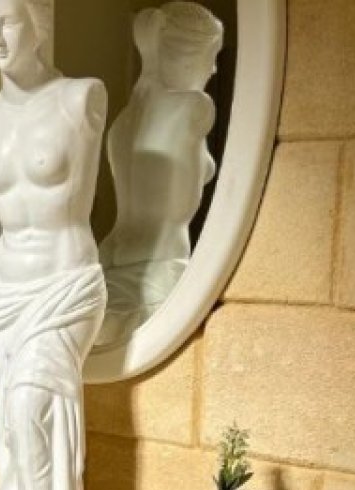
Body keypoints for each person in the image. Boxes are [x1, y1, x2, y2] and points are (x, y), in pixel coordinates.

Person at [0, 0, 109, 490]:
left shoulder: (81, 98)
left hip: (64, 284)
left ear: (37, 21)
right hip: (7, 292)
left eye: (8, 21)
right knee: (8, 419)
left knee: (30, 406)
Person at [97, 2, 224, 346]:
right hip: (162, 265)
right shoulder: (195, 107)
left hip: (111, 260)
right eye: (211, 56)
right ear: (187, 57)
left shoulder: (123, 121)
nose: (213, 69)